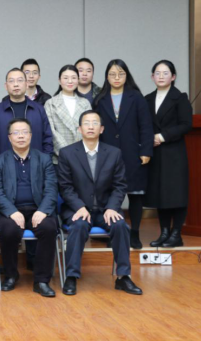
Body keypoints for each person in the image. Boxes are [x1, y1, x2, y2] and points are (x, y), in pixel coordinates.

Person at [57, 110, 143, 296]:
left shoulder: (114, 153)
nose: (90, 127)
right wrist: (79, 207)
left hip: (105, 209)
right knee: (79, 225)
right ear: (79, 129)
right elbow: (65, 187)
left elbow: (120, 186)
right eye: (86, 123)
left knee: (120, 225)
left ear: (102, 129)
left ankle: (123, 276)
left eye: (95, 123)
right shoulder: (67, 153)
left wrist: (112, 207)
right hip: (77, 209)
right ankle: (71, 276)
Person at [0, 118, 58, 297]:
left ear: (31, 135)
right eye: (16, 133)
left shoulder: (44, 159)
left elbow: (51, 189)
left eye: (24, 132)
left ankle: (41, 280)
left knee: (49, 228)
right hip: (11, 210)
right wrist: (12, 211)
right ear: (9, 137)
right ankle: (11, 275)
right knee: (8, 230)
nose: (20, 136)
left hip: (38, 208)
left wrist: (42, 210)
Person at [93, 59, 154, 249]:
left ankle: (135, 233)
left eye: (120, 74)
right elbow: (96, 129)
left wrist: (146, 150)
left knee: (135, 195)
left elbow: (146, 126)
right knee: (111, 195)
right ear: (106, 77)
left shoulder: (136, 97)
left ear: (126, 75)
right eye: (112, 74)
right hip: (107, 155)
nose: (116, 78)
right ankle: (115, 233)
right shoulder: (100, 99)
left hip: (133, 153)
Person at [145, 60, 193, 248]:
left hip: (174, 153)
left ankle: (176, 233)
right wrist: (149, 138)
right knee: (160, 193)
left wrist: (162, 136)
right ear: (152, 77)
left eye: (165, 73)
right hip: (155, 152)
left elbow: (186, 124)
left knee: (176, 193)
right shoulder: (147, 98)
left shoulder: (180, 98)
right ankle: (164, 232)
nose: (161, 76)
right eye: (157, 73)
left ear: (173, 77)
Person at [0, 68, 53, 164]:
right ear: (6, 86)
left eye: (20, 80)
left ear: (26, 84)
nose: (16, 84)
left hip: (36, 166)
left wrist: (46, 164)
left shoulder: (39, 109)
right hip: (5, 167)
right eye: (11, 81)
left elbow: (47, 139)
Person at [44, 65, 92, 164]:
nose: (70, 81)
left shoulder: (85, 103)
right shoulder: (50, 103)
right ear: (59, 80)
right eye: (65, 78)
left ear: (78, 80)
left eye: (73, 78)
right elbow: (51, 131)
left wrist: (79, 151)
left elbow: (89, 129)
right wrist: (67, 153)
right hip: (59, 159)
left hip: (82, 157)